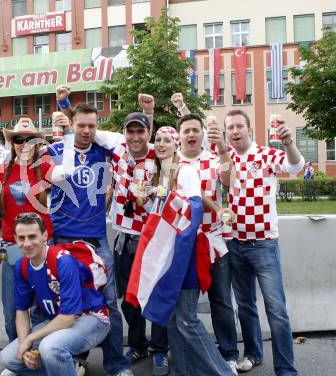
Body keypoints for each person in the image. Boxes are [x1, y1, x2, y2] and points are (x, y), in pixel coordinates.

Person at [42, 85, 132, 376]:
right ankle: (76, 359)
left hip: (96, 239)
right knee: (69, 302)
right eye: (81, 125)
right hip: (63, 238)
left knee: (108, 304)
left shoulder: (105, 151)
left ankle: (117, 365)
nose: (86, 131)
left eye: (92, 126)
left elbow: (136, 144)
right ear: (72, 125)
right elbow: (42, 187)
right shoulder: (55, 150)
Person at [150, 125, 235, 376]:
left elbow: (195, 210)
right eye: (158, 139)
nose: (162, 144)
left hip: (185, 251)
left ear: (176, 145)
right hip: (168, 252)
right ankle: (183, 371)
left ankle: (223, 372)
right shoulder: (161, 175)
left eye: (167, 139)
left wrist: (183, 244)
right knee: (174, 320)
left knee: (187, 319)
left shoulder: (184, 172)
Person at [93, 96, 169, 376]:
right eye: (131, 131)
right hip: (124, 238)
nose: (136, 136)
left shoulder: (160, 155)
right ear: (125, 133)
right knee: (129, 299)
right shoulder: (117, 152)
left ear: (148, 133)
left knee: (156, 297)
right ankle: (139, 343)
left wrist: (149, 111)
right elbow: (85, 130)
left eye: (141, 131)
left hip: (153, 239)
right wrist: (64, 106)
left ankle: (161, 351)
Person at [224, 109, 304, 376]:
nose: (235, 131)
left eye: (239, 126)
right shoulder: (227, 157)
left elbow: (295, 166)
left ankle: (285, 369)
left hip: (264, 245)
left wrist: (288, 143)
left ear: (249, 129)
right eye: (230, 128)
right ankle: (253, 354)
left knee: (276, 310)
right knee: (244, 306)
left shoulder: (267, 155)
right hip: (235, 243)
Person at [171, 94, 239, 375]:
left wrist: (223, 149)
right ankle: (183, 358)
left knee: (221, 300)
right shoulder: (171, 164)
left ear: (201, 135)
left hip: (214, 240)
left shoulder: (214, 158)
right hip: (184, 245)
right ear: (179, 136)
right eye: (185, 131)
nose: (190, 135)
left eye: (194, 130)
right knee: (181, 308)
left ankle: (230, 354)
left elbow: (229, 180)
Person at [0, 212, 110, 375]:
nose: (27, 243)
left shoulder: (63, 261)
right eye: (21, 238)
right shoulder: (22, 266)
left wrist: (30, 339)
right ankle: (67, 366)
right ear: (15, 239)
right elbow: (21, 311)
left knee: (50, 348)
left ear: (45, 236)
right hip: (57, 321)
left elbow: (68, 318)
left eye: (32, 236)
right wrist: (25, 346)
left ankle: (61, 363)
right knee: (8, 358)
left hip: (91, 319)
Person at [0, 118, 54, 343]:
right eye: (19, 139)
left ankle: (39, 357)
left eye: (31, 139)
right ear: (12, 143)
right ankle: (17, 356)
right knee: (11, 312)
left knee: (41, 311)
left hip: (43, 251)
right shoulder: (1, 170)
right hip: (12, 248)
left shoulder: (48, 169)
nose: (25, 144)